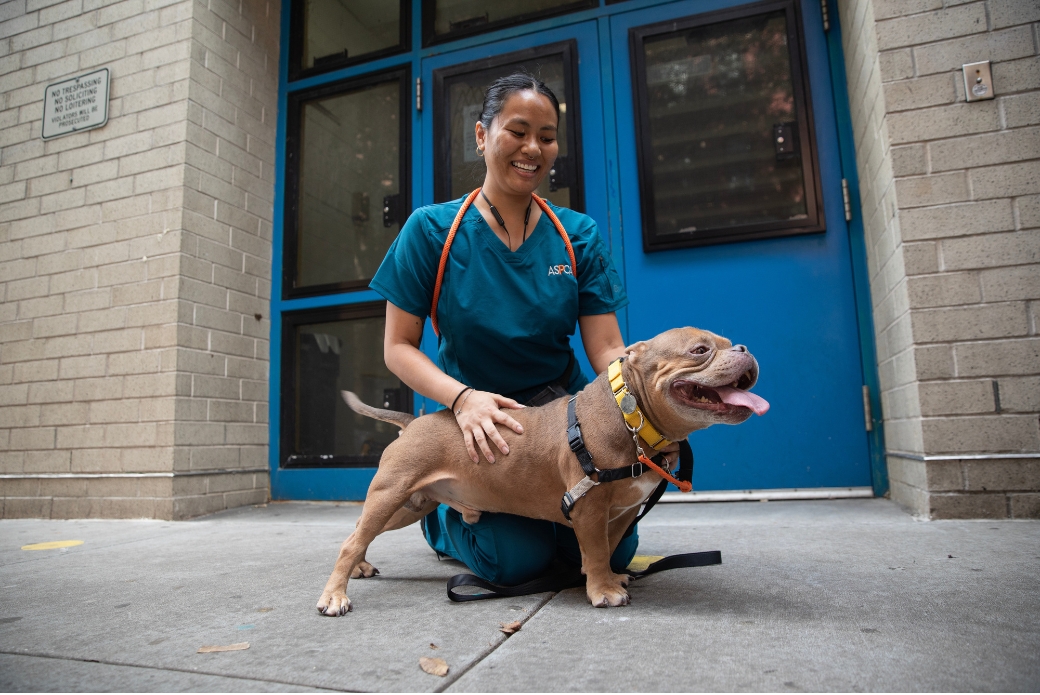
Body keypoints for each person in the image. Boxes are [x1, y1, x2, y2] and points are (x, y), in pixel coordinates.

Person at [369, 73, 635, 586]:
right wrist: (464, 399)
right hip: (476, 431)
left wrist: (646, 395)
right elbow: (398, 348)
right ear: (481, 135)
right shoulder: (431, 230)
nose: (533, 148)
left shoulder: (578, 235)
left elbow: (607, 348)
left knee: (617, 548)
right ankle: (446, 517)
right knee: (514, 562)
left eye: (548, 135)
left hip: (560, 424)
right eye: (517, 131)